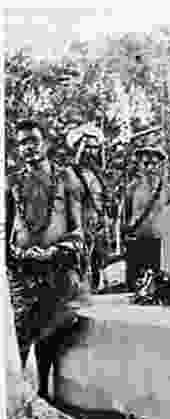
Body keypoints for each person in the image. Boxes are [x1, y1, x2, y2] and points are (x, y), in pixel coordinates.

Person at [6, 119, 88, 398]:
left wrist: (56, 250)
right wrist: (15, 254)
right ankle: (18, 403)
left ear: (46, 143)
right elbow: (6, 231)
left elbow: (78, 231)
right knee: (19, 338)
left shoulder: (66, 178)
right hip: (22, 273)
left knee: (49, 338)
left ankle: (43, 395)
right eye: (22, 143)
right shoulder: (12, 183)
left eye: (33, 140)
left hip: (57, 268)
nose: (28, 147)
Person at [123, 146, 170, 289]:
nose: (150, 168)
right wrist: (126, 235)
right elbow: (125, 215)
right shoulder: (131, 189)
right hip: (137, 242)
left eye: (155, 164)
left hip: (159, 243)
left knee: (157, 285)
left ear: (160, 166)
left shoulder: (169, 190)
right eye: (146, 163)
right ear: (139, 165)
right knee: (134, 286)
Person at [67, 124, 111, 292]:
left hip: (97, 222)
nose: (93, 152)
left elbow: (103, 198)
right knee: (80, 259)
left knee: (98, 258)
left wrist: (105, 216)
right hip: (80, 222)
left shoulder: (97, 174)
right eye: (88, 147)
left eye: (95, 148)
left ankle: (95, 287)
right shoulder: (70, 172)